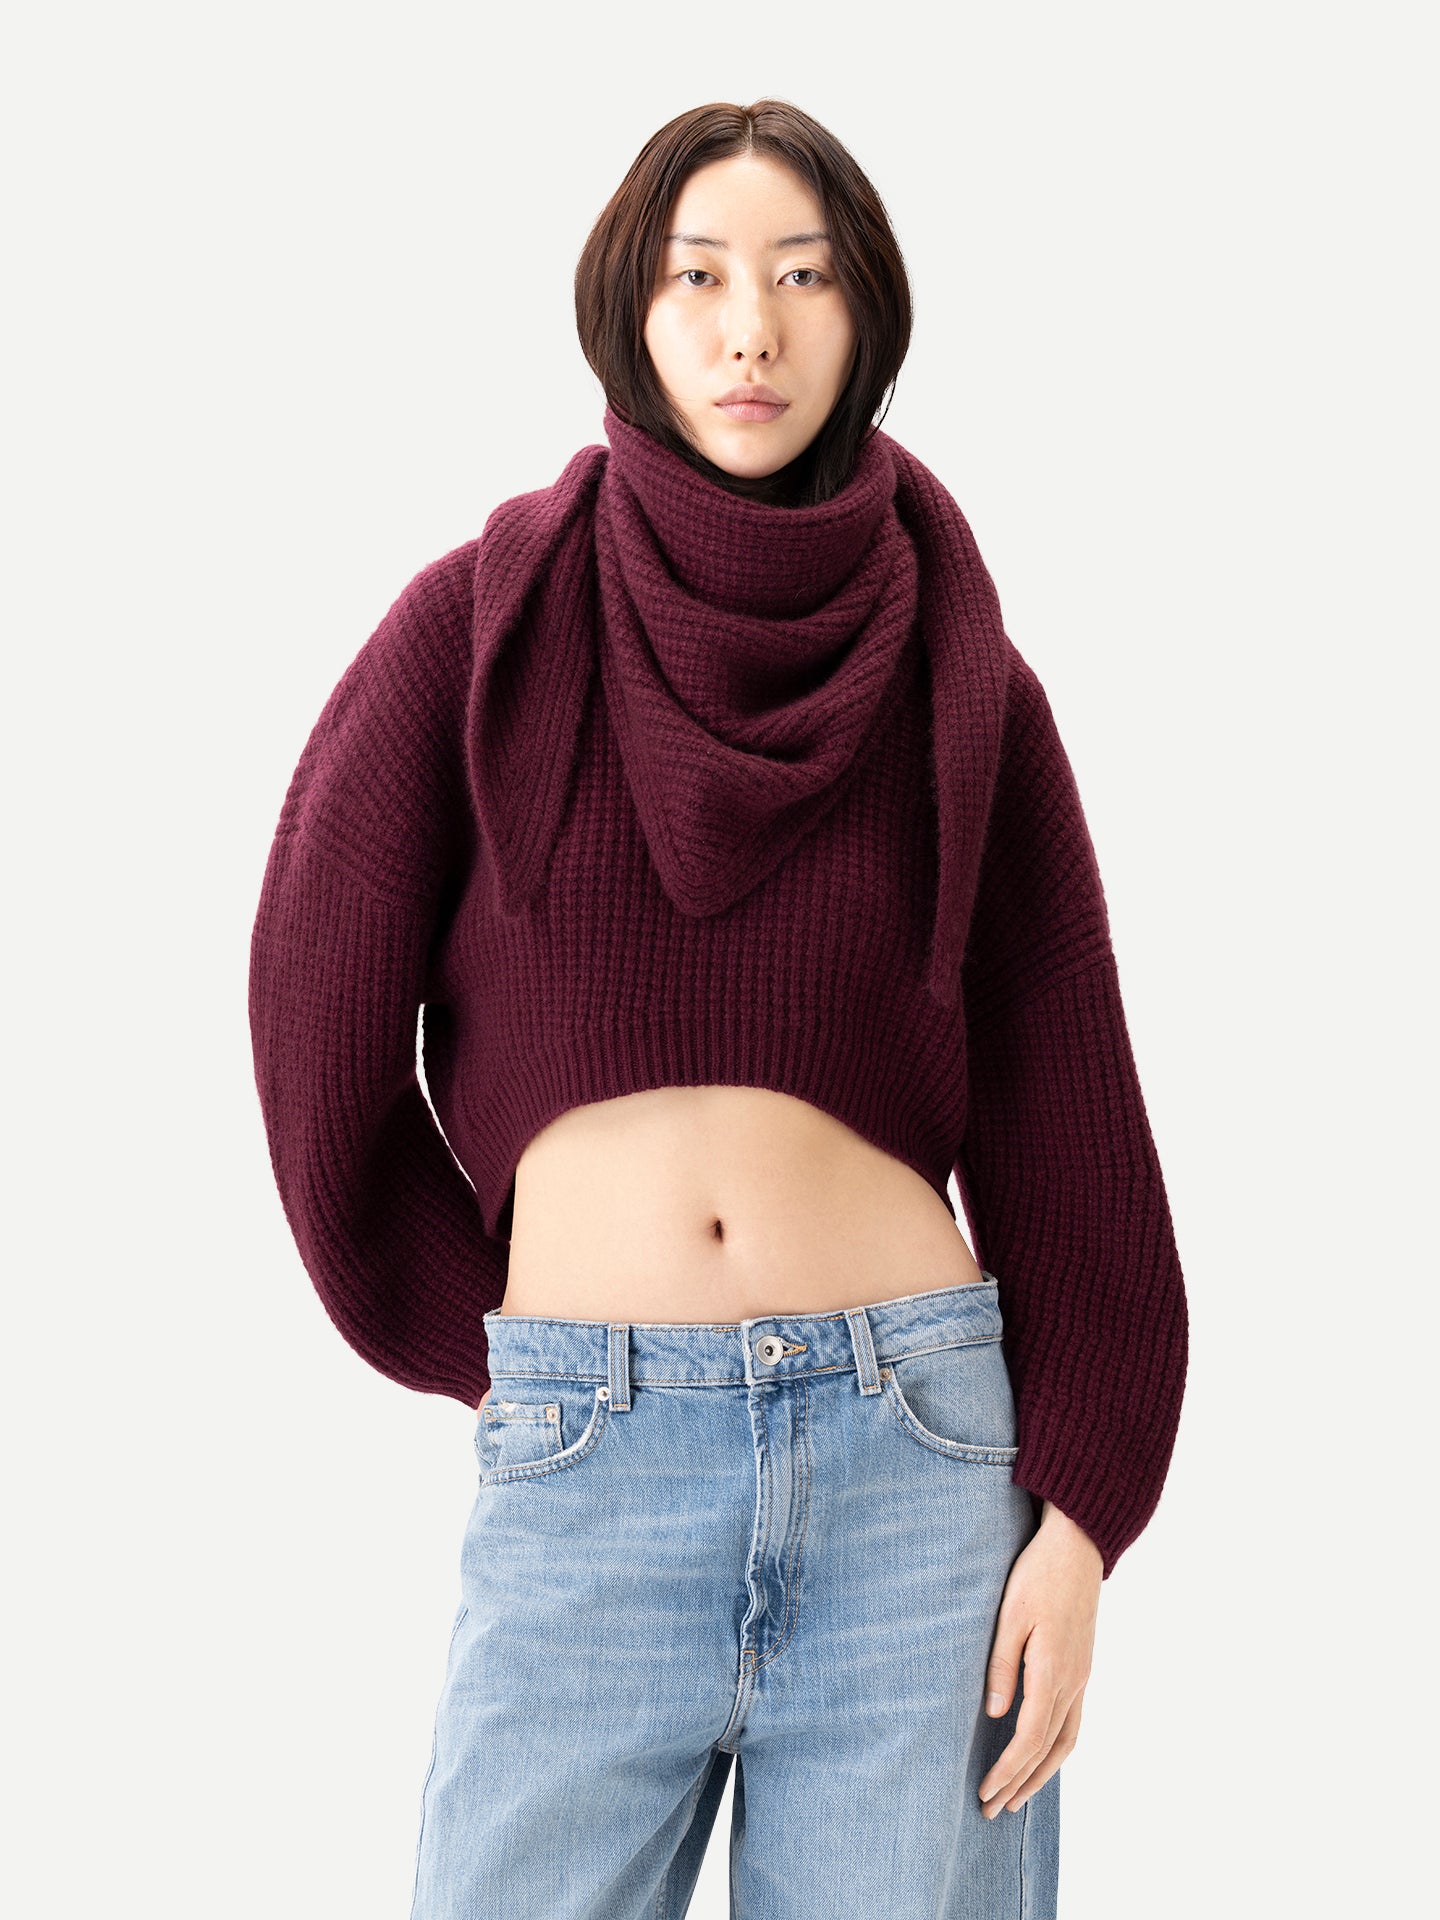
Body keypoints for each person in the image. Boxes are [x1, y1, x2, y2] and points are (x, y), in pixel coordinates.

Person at [248, 98, 1188, 1920]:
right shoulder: (476, 630)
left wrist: (1082, 1516)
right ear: (631, 306)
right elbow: (311, 1022)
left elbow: (1071, 1109)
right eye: (700, 277)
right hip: (588, 1463)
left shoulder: (965, 678)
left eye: (802, 277)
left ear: (864, 316)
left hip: (920, 1471)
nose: (750, 326)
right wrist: (519, 1352)